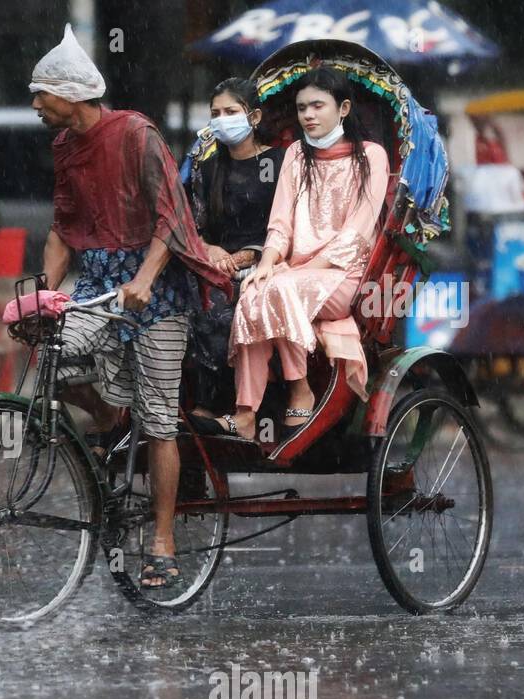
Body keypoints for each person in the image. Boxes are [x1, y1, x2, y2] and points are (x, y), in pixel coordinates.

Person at [29, 23, 230, 590]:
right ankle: (106, 416)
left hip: (157, 291)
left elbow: (171, 217)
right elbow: (63, 230)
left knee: (160, 419)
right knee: (52, 355)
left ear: (69, 94)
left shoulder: (138, 135)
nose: (36, 106)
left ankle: (163, 541)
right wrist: (44, 297)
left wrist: (144, 278)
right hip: (96, 283)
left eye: (41, 95)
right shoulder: (64, 147)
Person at [194, 68, 388, 443]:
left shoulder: (371, 156)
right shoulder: (297, 154)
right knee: (252, 291)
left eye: (318, 106)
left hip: (344, 274)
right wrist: (267, 264)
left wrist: (296, 271)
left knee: (279, 290)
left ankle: (300, 389)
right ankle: (246, 413)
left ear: (343, 108)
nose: (308, 115)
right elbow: (280, 221)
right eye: (302, 108)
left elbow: (359, 229)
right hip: (294, 273)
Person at [186, 77, 285, 419]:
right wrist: (210, 250)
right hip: (212, 265)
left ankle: (218, 406)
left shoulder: (279, 162)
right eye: (216, 113)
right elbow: (193, 227)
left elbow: (288, 223)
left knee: (220, 310)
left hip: (268, 263)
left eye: (231, 111)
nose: (222, 118)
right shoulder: (208, 166)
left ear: (254, 117)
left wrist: (251, 255)